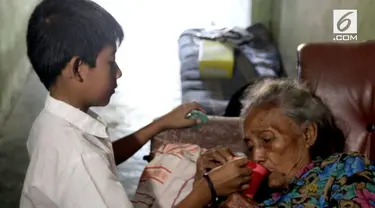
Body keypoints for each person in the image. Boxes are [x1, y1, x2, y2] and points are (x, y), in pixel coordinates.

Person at [20, 0, 252, 207]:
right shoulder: (79, 160)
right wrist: (208, 189)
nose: (118, 72)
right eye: (110, 62)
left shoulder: (52, 120)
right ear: (78, 68)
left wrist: (158, 125)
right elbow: (88, 160)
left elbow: (104, 155)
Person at [195, 78, 375, 207]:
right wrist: (202, 189)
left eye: (267, 139)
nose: (256, 156)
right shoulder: (255, 196)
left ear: (307, 134)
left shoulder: (347, 169)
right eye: (250, 147)